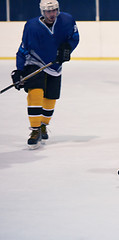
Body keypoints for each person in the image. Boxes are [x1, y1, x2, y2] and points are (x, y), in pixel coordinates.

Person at [11, 0, 79, 149]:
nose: (52, 14)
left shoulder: (67, 20)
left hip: (54, 65)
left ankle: (43, 125)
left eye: (54, 10)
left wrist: (67, 49)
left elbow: (74, 37)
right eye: (48, 11)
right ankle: (34, 130)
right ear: (42, 12)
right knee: (36, 93)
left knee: (51, 97)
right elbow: (23, 48)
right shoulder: (32, 26)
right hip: (34, 62)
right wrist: (19, 70)